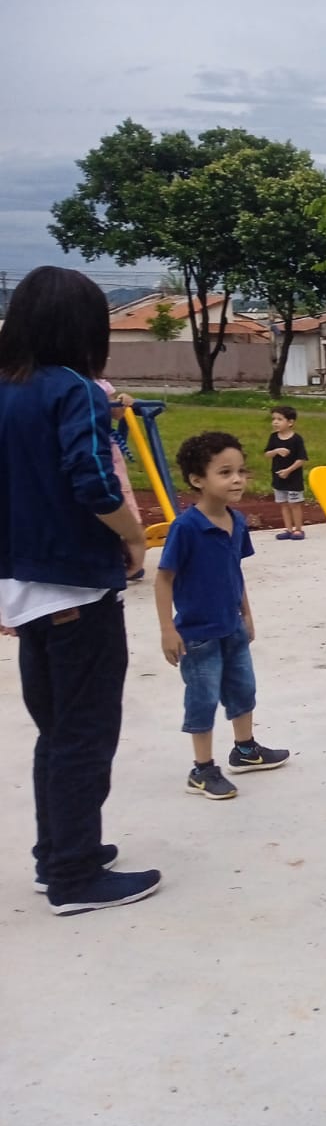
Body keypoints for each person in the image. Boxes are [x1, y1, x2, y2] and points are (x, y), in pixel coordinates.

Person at [0, 265, 162, 914]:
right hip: (75, 588)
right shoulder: (74, 390)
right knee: (85, 733)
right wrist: (133, 535)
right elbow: (93, 481)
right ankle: (73, 876)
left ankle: (59, 854)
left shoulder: (6, 387)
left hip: (25, 589)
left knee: (56, 731)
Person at [155, 431, 290, 800]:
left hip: (230, 624)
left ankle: (245, 750)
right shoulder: (185, 528)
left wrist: (246, 613)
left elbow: (235, 571)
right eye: (225, 472)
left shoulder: (238, 521)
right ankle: (202, 770)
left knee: (242, 688)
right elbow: (163, 579)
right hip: (197, 634)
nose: (237, 480)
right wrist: (168, 629)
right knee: (202, 697)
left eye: (241, 471)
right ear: (198, 480)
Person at [97, 378, 145, 579]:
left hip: (109, 450)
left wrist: (122, 401)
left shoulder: (99, 385)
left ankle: (131, 559)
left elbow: (116, 413)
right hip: (90, 446)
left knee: (121, 495)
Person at [264, 405, 308, 540]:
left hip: (293, 478)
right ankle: (288, 529)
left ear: (290, 422)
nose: (275, 422)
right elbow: (267, 454)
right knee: (283, 504)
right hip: (278, 477)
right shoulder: (273, 438)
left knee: (294, 504)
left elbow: (302, 459)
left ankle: (298, 529)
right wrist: (276, 451)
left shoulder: (296, 439)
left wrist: (288, 471)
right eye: (274, 419)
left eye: (279, 419)